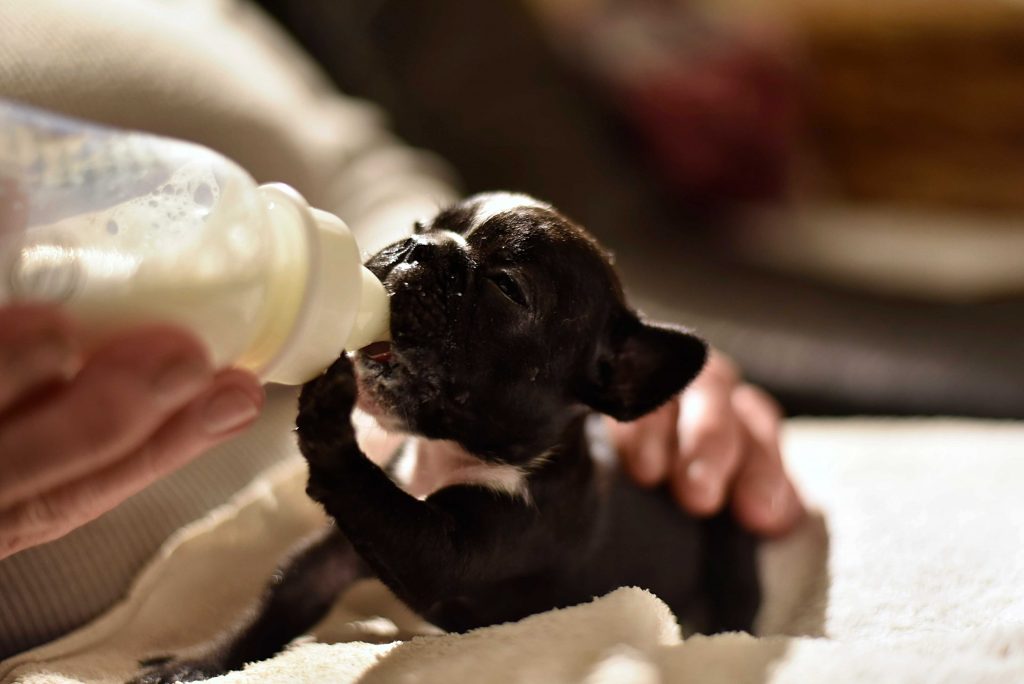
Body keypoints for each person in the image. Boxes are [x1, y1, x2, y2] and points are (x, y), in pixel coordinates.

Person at [0, 0, 802, 659]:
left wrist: (410, 267)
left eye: (504, 287)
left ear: (618, 381)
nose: (421, 251)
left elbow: (371, 174)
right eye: (426, 238)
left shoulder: (528, 493)